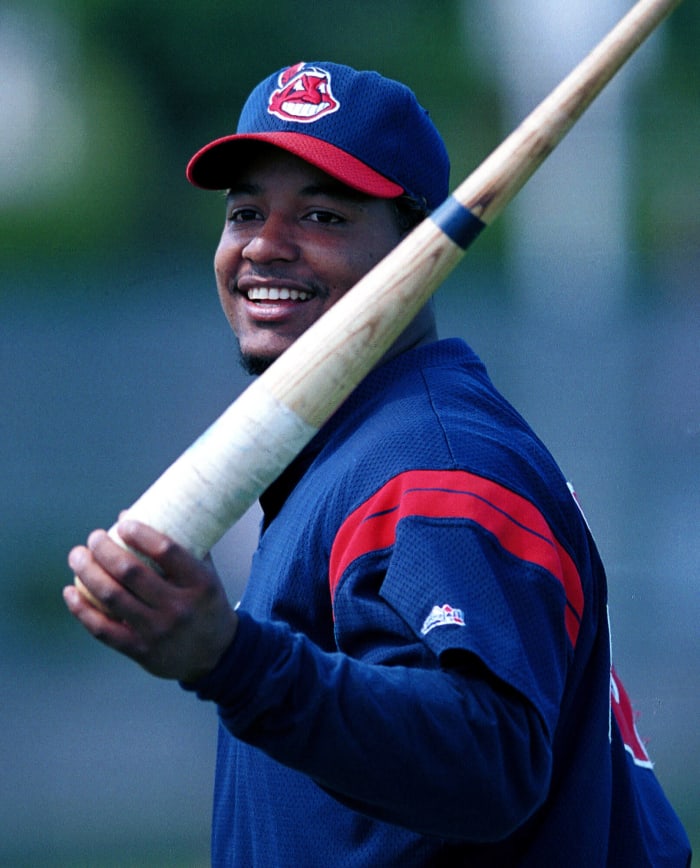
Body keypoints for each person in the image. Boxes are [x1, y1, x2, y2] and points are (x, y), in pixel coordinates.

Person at [64, 61, 691, 866]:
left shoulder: (433, 463)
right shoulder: (362, 445)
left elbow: (492, 762)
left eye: (322, 216)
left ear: (420, 253)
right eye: (245, 211)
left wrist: (231, 659)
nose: (263, 246)